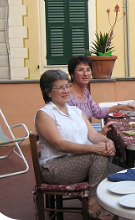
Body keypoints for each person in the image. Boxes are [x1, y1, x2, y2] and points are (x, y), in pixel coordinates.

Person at [35, 70, 116, 220]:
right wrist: (94, 149)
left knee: (120, 171)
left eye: (67, 86)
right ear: (48, 92)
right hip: (55, 167)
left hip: (80, 163)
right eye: (60, 88)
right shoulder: (44, 114)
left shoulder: (76, 111)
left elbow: (92, 135)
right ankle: (93, 203)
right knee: (98, 157)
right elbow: (60, 145)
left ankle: (112, 205)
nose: (66, 91)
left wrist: (108, 142)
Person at [67, 56, 135, 135]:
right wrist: (99, 135)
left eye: (88, 70)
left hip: (89, 136)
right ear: (72, 74)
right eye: (80, 70)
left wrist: (120, 107)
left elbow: (98, 112)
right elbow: (71, 128)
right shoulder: (67, 96)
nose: (85, 74)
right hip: (78, 140)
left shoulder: (85, 92)